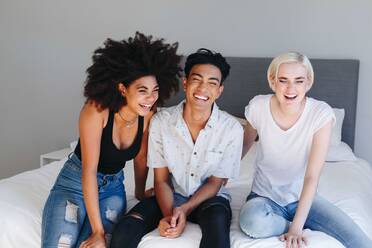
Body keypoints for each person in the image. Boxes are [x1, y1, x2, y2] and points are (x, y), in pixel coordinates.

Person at [41, 32, 181, 248]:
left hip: (113, 188)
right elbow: (89, 170)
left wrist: (139, 192)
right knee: (62, 244)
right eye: (142, 91)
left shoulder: (149, 114)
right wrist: (97, 230)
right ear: (123, 89)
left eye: (155, 90)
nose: (151, 98)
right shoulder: (96, 111)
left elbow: (141, 156)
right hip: (75, 183)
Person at [110, 48, 243, 248]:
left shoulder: (232, 128)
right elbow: (161, 180)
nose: (202, 89)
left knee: (217, 235)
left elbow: (215, 182)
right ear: (185, 82)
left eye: (212, 83)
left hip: (210, 199)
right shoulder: (161, 121)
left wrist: (185, 209)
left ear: (219, 90)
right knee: (126, 229)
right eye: (196, 79)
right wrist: (170, 217)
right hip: (170, 194)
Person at [239, 51, 372, 248]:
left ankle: (299, 221)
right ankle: (285, 223)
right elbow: (242, 148)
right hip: (264, 197)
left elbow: (312, 176)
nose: (290, 88)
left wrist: (297, 228)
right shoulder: (258, 106)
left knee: (360, 242)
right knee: (252, 223)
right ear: (272, 80)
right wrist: (216, 178)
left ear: (308, 82)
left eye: (299, 80)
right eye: (283, 80)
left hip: (304, 198)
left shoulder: (320, 114)